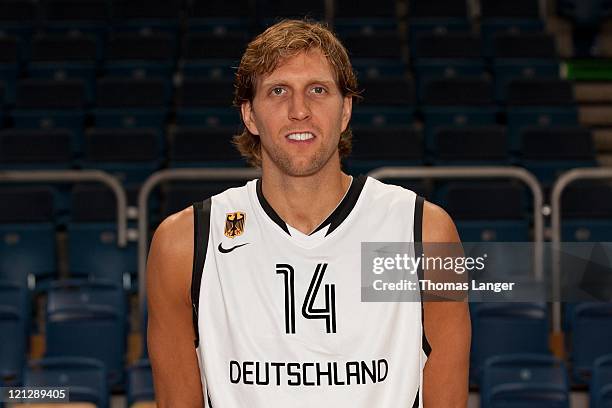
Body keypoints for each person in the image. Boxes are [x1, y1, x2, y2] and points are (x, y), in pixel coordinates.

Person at [147, 19, 470, 407]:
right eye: (278, 91)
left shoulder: (423, 233)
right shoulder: (185, 244)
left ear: (345, 109)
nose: (299, 110)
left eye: (317, 90)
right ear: (249, 115)